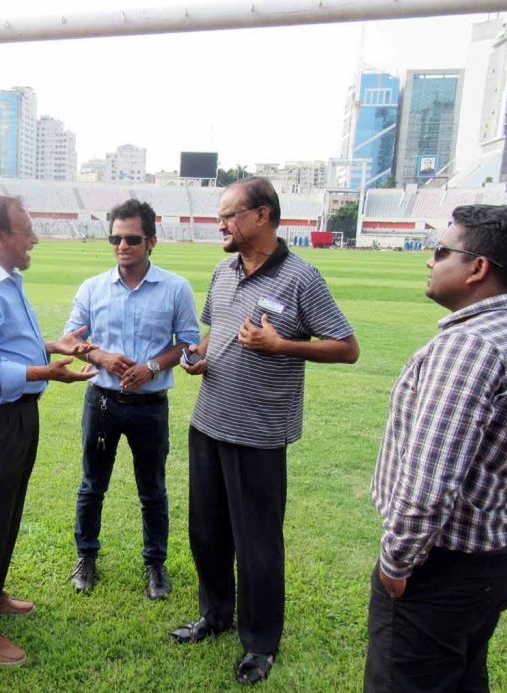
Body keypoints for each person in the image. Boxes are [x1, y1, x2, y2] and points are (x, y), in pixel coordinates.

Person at [170, 177, 359, 686]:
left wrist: (282, 346)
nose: (221, 224)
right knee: (206, 532)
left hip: (258, 433)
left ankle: (259, 643)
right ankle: (215, 615)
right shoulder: (223, 270)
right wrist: (199, 356)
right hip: (209, 422)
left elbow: (347, 346)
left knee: (257, 543)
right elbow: (215, 330)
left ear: (262, 216)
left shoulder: (301, 278)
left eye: (229, 215)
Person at [365, 205, 507, 692]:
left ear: (478, 267)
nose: (429, 262)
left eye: (441, 252)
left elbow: (427, 485)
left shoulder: (470, 348)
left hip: (441, 567)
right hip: (500, 554)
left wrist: (397, 564)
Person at [0, 195, 97, 667]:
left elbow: (6, 343)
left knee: (5, 513)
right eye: (26, 230)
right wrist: (42, 372)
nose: (33, 238)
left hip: (13, 415)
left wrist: (51, 344)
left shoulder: (5, 282)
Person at [64, 199, 199, 598]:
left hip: (150, 406)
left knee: (153, 489)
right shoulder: (93, 288)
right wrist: (101, 356)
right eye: (116, 238)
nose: (123, 246)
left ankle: (156, 565)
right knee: (92, 484)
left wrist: (152, 368)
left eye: (133, 239)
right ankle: (86, 556)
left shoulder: (175, 288)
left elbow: (188, 344)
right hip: (102, 402)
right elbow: (72, 340)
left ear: (152, 241)